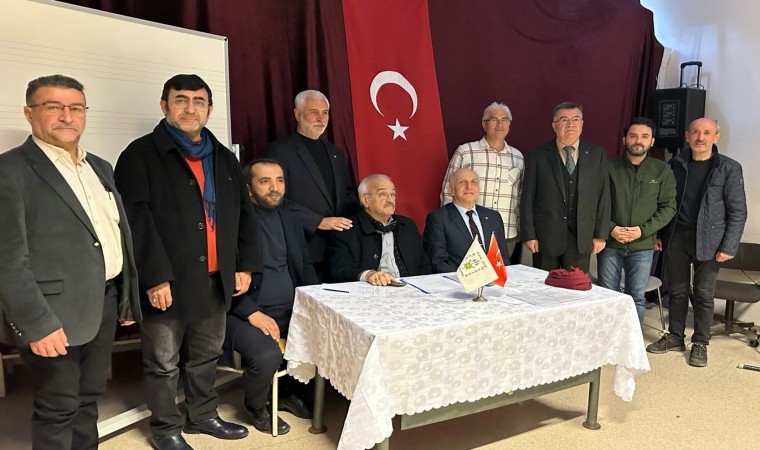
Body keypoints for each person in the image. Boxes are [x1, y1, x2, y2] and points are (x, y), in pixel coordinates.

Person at [114, 74, 256, 450]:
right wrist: (154, 277)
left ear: (209, 109)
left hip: (215, 278)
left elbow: (243, 216)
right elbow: (134, 222)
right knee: (163, 362)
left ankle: (203, 416)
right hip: (168, 281)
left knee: (206, 355)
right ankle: (165, 429)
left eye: (198, 101)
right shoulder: (139, 155)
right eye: (181, 100)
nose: (190, 108)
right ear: (164, 105)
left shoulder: (224, 158)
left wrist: (243, 265)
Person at [0, 74, 141, 450]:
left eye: (76, 108)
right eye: (54, 107)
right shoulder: (9, 171)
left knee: (89, 399)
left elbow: (112, 236)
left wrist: (125, 297)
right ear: (29, 113)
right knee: (58, 408)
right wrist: (36, 324)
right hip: (52, 315)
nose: (67, 116)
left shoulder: (100, 167)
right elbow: (7, 260)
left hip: (103, 303)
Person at [221, 159, 318, 435]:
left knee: (329, 336)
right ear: (248, 188)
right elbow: (221, 278)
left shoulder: (289, 218)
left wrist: (317, 301)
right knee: (266, 355)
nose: (274, 188)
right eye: (265, 181)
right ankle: (256, 405)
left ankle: (285, 393)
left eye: (279, 180)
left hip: (290, 308)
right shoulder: (232, 222)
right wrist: (252, 313)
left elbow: (304, 265)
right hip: (242, 312)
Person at [647, 118, 747, 367]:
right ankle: (675, 336)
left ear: (716, 137)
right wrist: (658, 234)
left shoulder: (728, 168)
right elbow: (663, 203)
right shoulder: (675, 164)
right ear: (687, 136)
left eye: (706, 133)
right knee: (678, 291)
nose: (700, 137)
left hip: (710, 240)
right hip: (676, 237)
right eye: (695, 132)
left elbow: (737, 211)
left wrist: (728, 246)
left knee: (703, 293)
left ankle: (701, 342)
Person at [262, 90, 358, 280]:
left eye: (325, 112)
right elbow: (274, 199)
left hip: (338, 251)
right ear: (297, 114)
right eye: (314, 112)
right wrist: (317, 222)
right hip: (302, 249)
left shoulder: (336, 153)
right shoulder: (279, 150)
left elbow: (346, 194)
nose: (321, 118)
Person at [597, 118, 676, 324]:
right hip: (610, 244)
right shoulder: (608, 167)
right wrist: (611, 228)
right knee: (607, 296)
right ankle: (608, 339)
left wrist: (643, 231)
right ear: (624, 139)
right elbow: (596, 203)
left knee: (637, 298)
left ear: (652, 141)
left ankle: (633, 342)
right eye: (633, 136)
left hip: (642, 246)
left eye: (644, 136)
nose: (638, 140)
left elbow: (668, 207)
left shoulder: (662, 170)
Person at [520, 101, 611, 273]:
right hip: (546, 236)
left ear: (582, 124)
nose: (570, 124)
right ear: (554, 125)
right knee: (543, 285)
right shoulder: (537, 155)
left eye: (576, 119)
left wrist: (600, 234)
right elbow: (527, 198)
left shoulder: (597, 154)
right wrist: (529, 234)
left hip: (581, 236)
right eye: (564, 120)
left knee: (575, 286)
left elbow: (603, 195)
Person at [439, 102, 524, 257]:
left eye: (504, 120)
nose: (500, 124)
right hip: (468, 231)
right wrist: (449, 227)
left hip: (506, 233)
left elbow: (520, 197)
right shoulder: (466, 151)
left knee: (502, 272)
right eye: (494, 120)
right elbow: (448, 191)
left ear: (509, 124)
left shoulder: (518, 157)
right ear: (484, 124)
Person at [328, 174, 432, 285]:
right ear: (365, 200)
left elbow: (423, 265)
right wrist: (368, 275)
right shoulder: (346, 230)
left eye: (393, 194)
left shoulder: (408, 225)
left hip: (410, 289)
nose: (390, 199)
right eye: (383, 194)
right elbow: (340, 270)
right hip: (371, 290)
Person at [424, 168, 509, 273]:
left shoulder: (493, 217)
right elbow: (438, 262)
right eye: (462, 182)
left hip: (494, 279)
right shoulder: (438, 218)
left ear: (478, 189)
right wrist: (466, 279)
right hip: (457, 280)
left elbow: (503, 258)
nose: (469, 187)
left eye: (474, 182)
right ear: (451, 190)